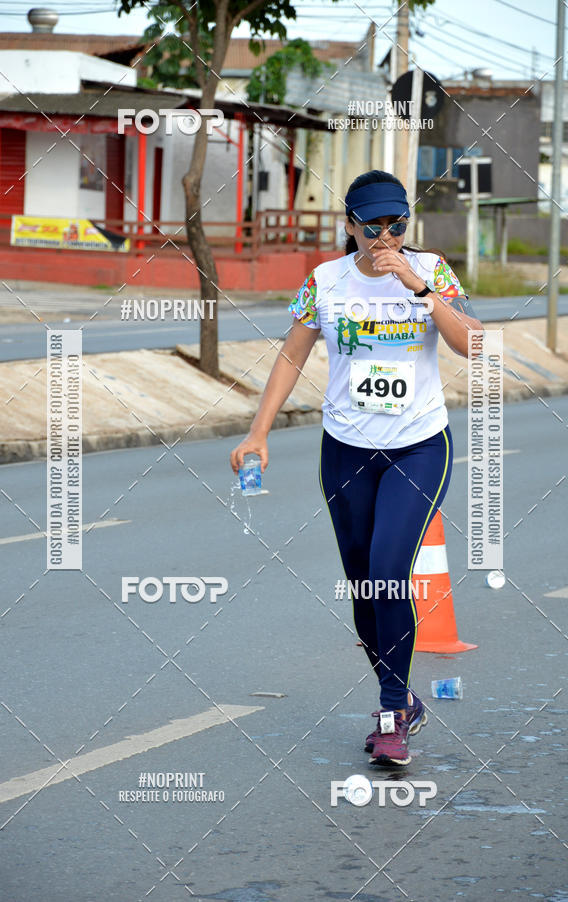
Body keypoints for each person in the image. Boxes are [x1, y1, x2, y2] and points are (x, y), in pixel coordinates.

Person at [230, 170, 482, 766]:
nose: (386, 237)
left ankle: (391, 713)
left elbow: (474, 344)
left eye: (397, 225)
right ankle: (403, 698)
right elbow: (292, 356)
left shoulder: (432, 270)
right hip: (346, 449)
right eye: (373, 227)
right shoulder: (325, 281)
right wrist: (259, 431)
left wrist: (419, 288)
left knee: (390, 571)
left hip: (419, 445)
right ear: (350, 226)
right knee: (365, 584)